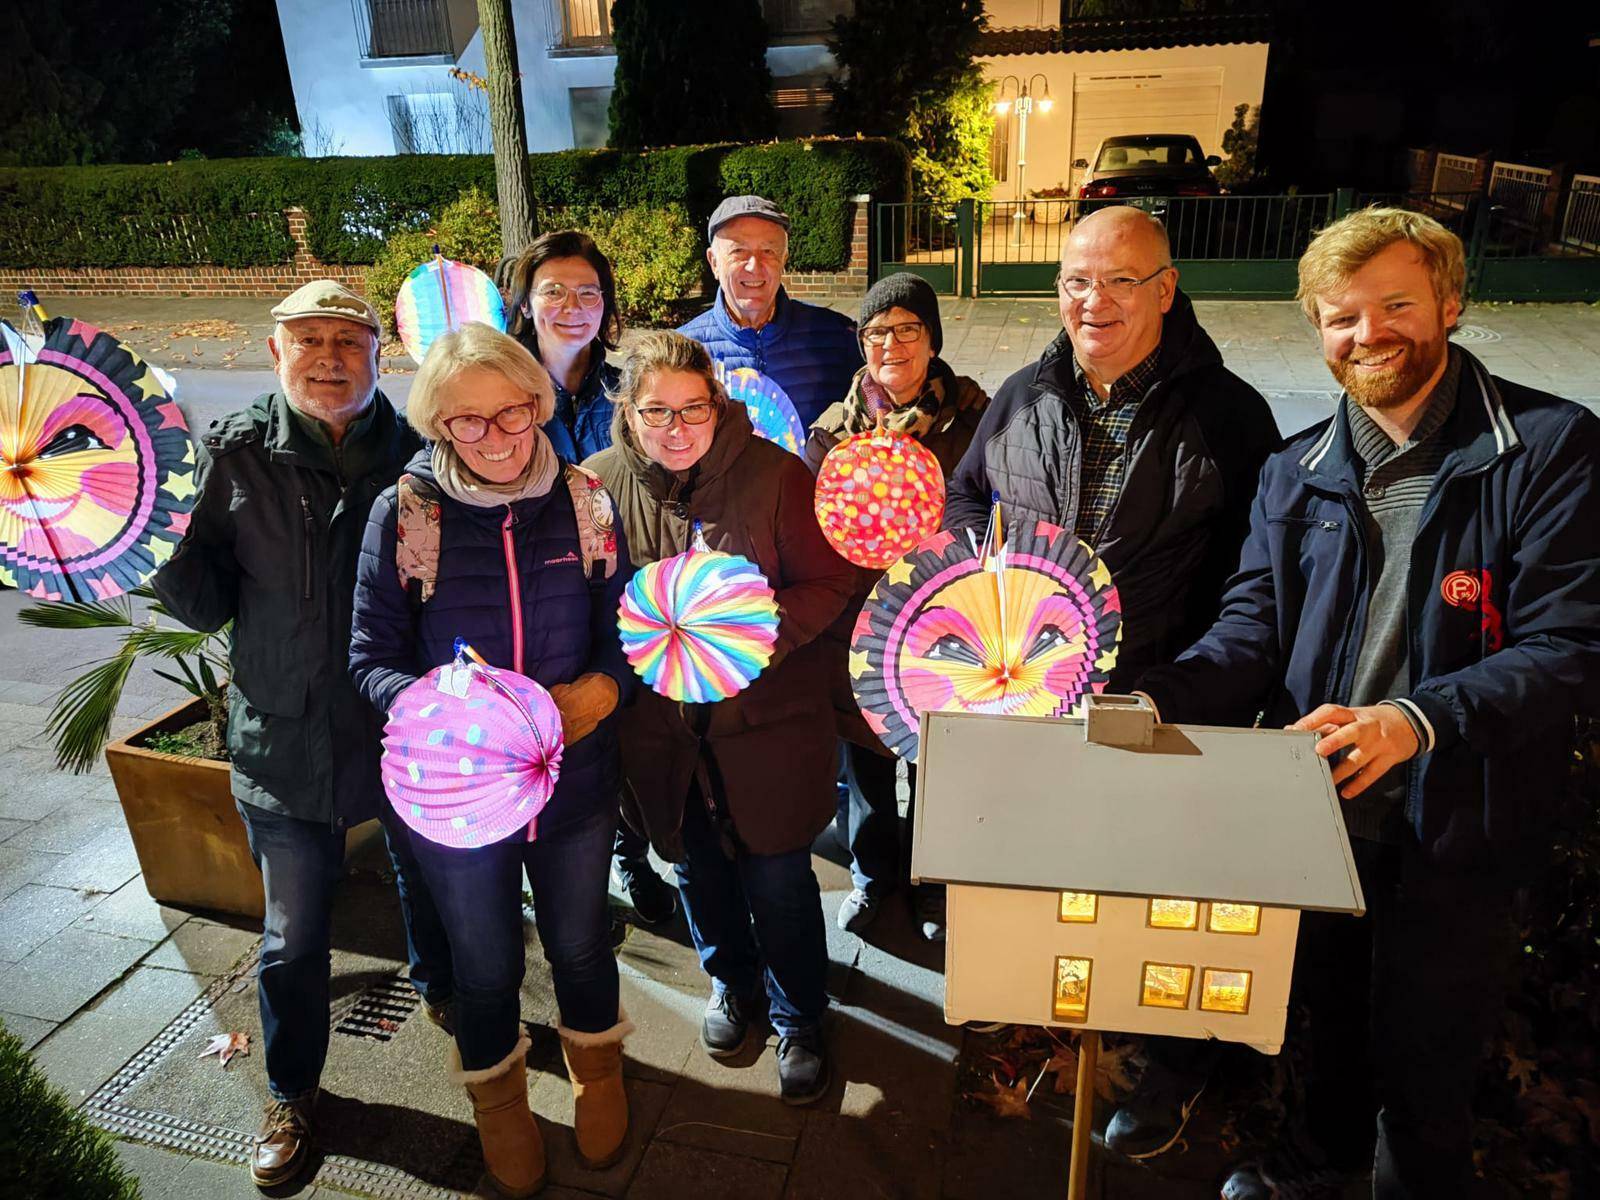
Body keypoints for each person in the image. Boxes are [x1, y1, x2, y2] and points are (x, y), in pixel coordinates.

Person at [1137, 207, 1600, 1199]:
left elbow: (1571, 645)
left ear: (1449, 302)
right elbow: (1249, 636)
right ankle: (1321, 1167)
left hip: (1454, 817)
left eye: (1395, 304)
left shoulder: (1546, 449)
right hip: (1322, 805)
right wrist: (1143, 694)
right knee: (1329, 1013)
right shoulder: (1293, 469)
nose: (1368, 333)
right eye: (1340, 315)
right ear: (1315, 327)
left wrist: (1414, 721)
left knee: (1427, 1050)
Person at [943, 205, 1281, 1158]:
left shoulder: (1231, 416)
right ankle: (1050, 1022)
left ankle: (1169, 1065)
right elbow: (969, 490)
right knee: (1053, 878)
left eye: (1122, 281)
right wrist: (982, 567)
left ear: (1166, 291)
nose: (1095, 302)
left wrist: (1186, 688)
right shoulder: (1021, 392)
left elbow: (1257, 583)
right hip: (1037, 702)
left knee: (1159, 892)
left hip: (1158, 706)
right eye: (1076, 281)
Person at [151, 281, 453, 1190]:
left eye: (348, 342)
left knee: (432, 889)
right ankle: (293, 1091)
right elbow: (204, 604)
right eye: (308, 340)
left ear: (377, 356)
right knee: (289, 937)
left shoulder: (418, 458)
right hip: (281, 736)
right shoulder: (233, 456)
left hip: (397, 730)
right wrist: (159, 544)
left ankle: (445, 992)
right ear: (275, 352)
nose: (329, 358)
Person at [349, 322, 636, 1197]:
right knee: (484, 965)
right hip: (456, 796)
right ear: (438, 425)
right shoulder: (407, 515)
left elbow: (625, 642)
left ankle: (599, 1072)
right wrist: (438, 713)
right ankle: (500, 1105)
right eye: (467, 422)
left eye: (513, 412)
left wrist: (599, 695)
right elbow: (370, 658)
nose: (498, 437)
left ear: (539, 404)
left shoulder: (588, 502)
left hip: (575, 782)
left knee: (582, 945)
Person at [585, 331, 853, 1105]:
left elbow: (829, 581)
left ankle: (800, 1012)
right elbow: (592, 610)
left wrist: (754, 636)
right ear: (627, 413)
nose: (676, 427)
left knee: (776, 876)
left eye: (693, 407)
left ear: (718, 400)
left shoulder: (775, 476)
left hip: (766, 726)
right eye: (655, 411)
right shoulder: (596, 489)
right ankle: (731, 983)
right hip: (661, 736)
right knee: (697, 867)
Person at [803, 272, 989, 943]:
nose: (893, 343)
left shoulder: (974, 417)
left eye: (909, 328)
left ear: (932, 339)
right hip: (866, 630)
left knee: (941, 764)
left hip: (948, 627)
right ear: (861, 342)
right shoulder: (835, 432)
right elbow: (811, 531)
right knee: (870, 765)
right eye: (878, 331)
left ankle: (938, 884)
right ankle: (874, 875)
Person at [504, 229, 680, 927]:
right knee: (547, 735)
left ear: (606, 306)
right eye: (553, 291)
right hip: (534, 596)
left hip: (620, 588)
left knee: (619, 738)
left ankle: (628, 860)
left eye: (588, 292)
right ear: (525, 302)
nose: (571, 306)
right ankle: (556, 886)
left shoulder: (626, 387)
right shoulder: (503, 384)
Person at [676, 194, 863, 428]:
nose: (754, 266)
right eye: (738, 252)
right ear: (714, 263)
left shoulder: (837, 338)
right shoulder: (680, 351)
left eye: (768, 251)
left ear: (784, 259)